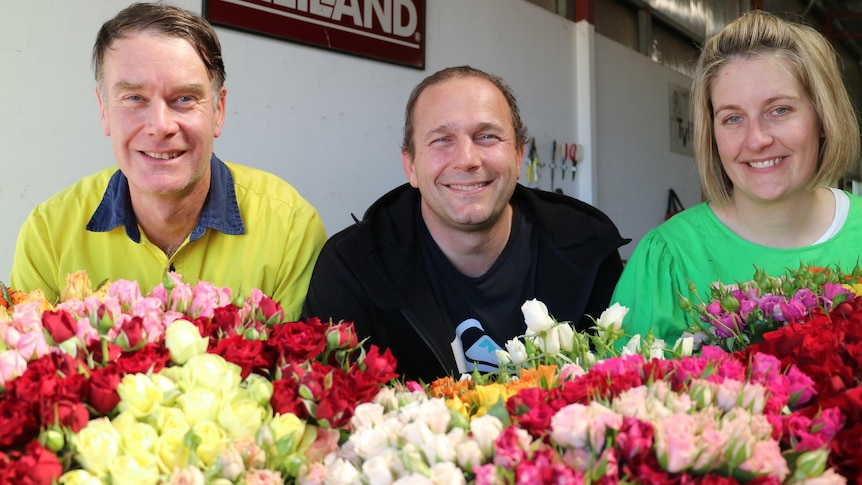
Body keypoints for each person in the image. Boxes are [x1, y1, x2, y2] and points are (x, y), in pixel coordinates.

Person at [302, 65, 628, 382]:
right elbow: (330, 411)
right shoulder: (353, 268)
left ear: (517, 156)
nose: (468, 159)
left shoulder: (587, 253)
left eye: (487, 136)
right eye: (442, 140)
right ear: (410, 165)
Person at [10, 2, 326, 321]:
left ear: (218, 110)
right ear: (104, 110)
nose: (161, 126)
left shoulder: (289, 229)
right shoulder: (49, 233)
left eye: (184, 99)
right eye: (134, 98)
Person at [611, 10, 862, 344]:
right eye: (733, 118)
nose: (757, 139)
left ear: (822, 118)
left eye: (780, 110)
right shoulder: (669, 259)